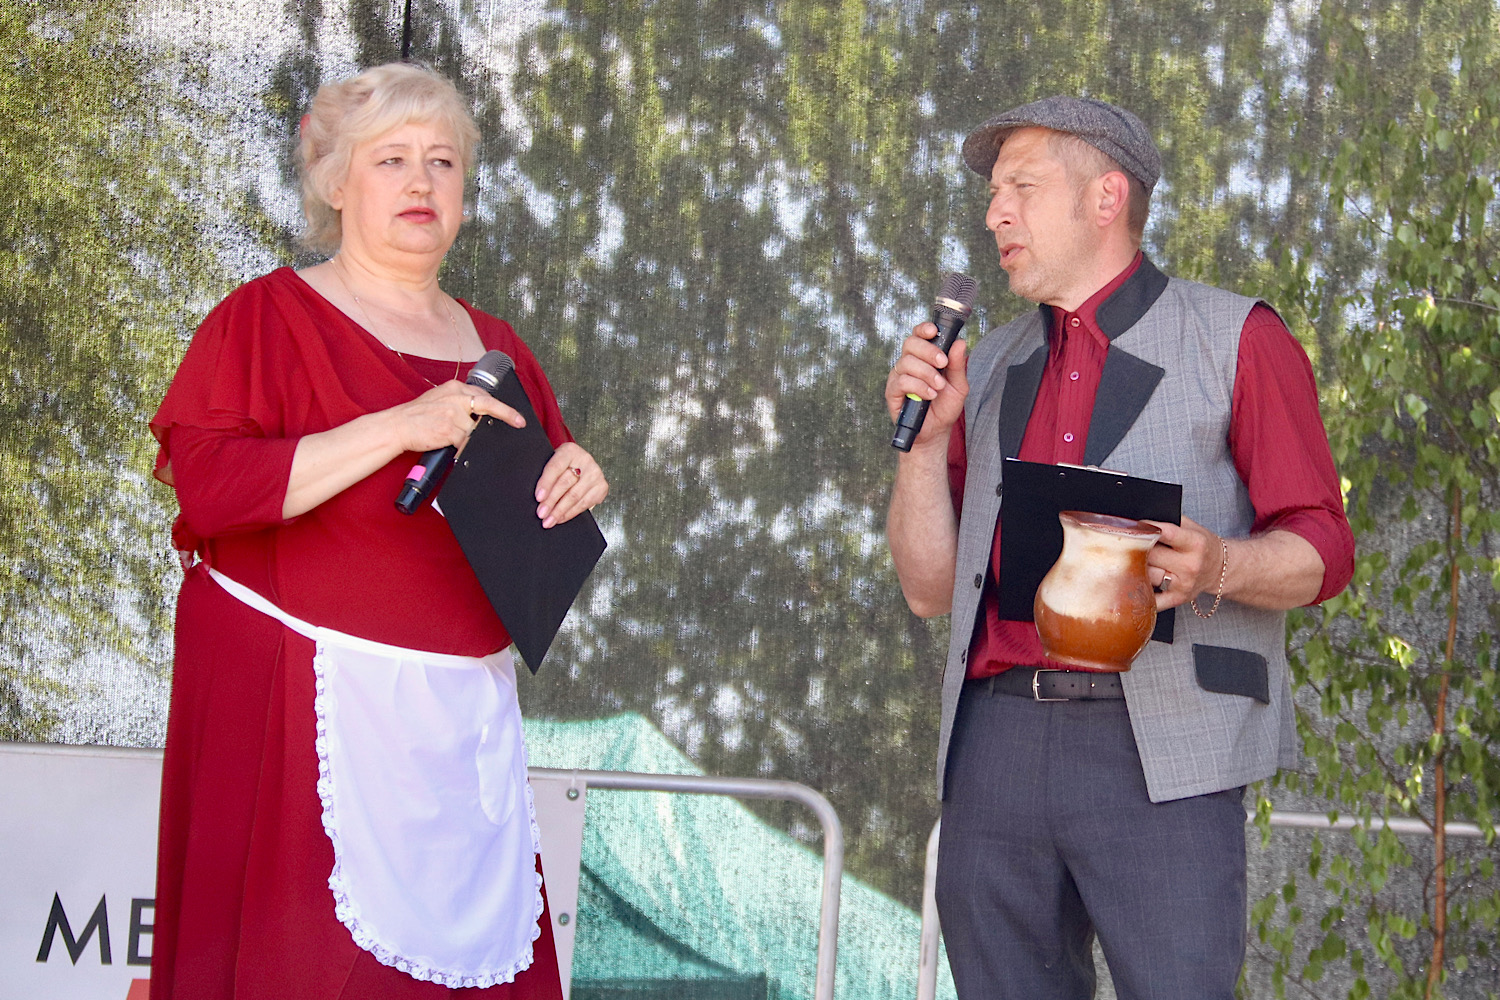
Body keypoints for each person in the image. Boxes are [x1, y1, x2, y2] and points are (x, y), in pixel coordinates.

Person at [149, 63, 606, 1000]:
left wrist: (572, 478)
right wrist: (398, 426)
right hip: (297, 711)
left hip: (459, 732)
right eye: (391, 159)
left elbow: (530, 534)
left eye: (443, 161)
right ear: (334, 181)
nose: (420, 181)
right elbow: (211, 490)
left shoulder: (502, 351)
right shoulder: (264, 319)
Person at [884, 97, 1354, 1000]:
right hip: (996, 743)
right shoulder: (986, 368)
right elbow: (929, 589)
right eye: (992, 195)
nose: (995, 214)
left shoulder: (1238, 337)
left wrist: (1220, 565)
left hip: (1164, 748)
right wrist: (923, 446)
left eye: (1021, 187)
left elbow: (1324, 548)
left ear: (1106, 198)